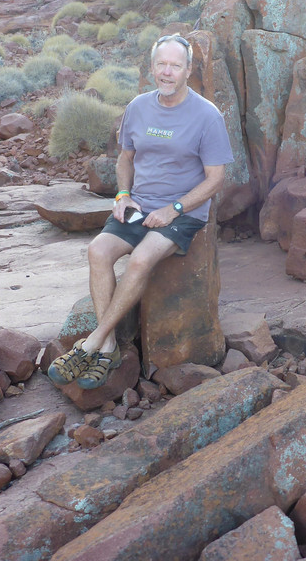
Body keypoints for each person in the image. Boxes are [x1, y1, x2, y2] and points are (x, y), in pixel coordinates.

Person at [47, 34, 234, 389]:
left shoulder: (207, 116)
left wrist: (174, 209)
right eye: (161, 64)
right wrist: (121, 195)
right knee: (97, 251)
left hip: (180, 214)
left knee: (138, 260)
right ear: (151, 68)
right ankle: (109, 349)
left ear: (188, 70)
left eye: (175, 65)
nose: (167, 72)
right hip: (139, 206)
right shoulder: (137, 107)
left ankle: (90, 345)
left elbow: (216, 180)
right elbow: (125, 158)